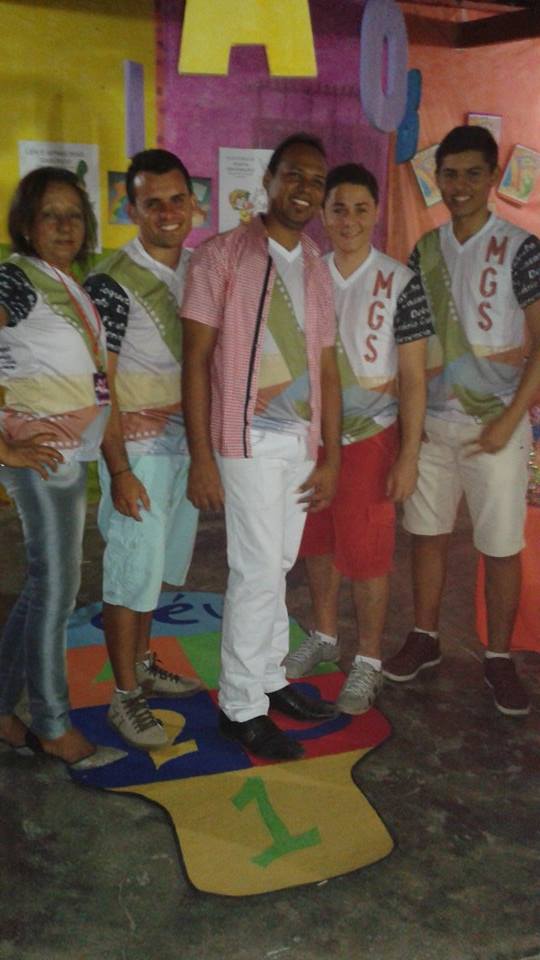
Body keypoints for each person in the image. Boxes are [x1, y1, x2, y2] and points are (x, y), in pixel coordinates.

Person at [181, 133, 341, 761]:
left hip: (300, 440)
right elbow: (196, 361)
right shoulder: (219, 256)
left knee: (277, 563)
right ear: (269, 179)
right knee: (254, 570)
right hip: (244, 439)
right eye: (294, 175)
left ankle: (271, 678)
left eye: (316, 180)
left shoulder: (317, 264)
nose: (305, 189)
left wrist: (331, 453)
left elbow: (327, 365)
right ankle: (241, 705)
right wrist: (201, 456)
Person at [383, 126, 540, 717]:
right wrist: (407, 422)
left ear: (493, 177)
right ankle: (424, 637)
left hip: (495, 425)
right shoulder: (424, 250)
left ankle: (498, 657)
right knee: (426, 535)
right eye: (450, 174)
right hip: (431, 423)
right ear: (438, 177)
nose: (460, 185)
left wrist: (512, 417)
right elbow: (407, 344)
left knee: (500, 546)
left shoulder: (522, 249)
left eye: (474, 173)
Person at [284, 163, 432, 713]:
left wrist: (409, 454)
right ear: (323, 215)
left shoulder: (401, 282)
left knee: (368, 554)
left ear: (376, 213)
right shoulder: (305, 277)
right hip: (313, 438)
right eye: (338, 209)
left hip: (372, 437)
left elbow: (413, 378)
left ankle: (368, 659)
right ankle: (325, 635)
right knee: (317, 542)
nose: (348, 220)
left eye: (360, 209)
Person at [85, 150, 202, 752]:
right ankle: (124, 694)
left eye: (177, 199)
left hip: (184, 447)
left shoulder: (199, 270)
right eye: (152, 202)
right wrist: (120, 470)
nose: (167, 212)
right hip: (137, 453)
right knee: (129, 573)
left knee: (153, 572)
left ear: (193, 203)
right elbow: (98, 385)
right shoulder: (111, 282)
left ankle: (144, 663)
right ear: (131, 209)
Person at [0, 166, 110, 765]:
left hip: (67, 457)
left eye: (74, 214)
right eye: (50, 214)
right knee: (57, 593)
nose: (65, 226)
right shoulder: (17, 279)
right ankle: (51, 723)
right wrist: (5, 450)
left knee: (44, 587)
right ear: (27, 223)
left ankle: (1, 709)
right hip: (42, 459)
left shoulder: (65, 282)